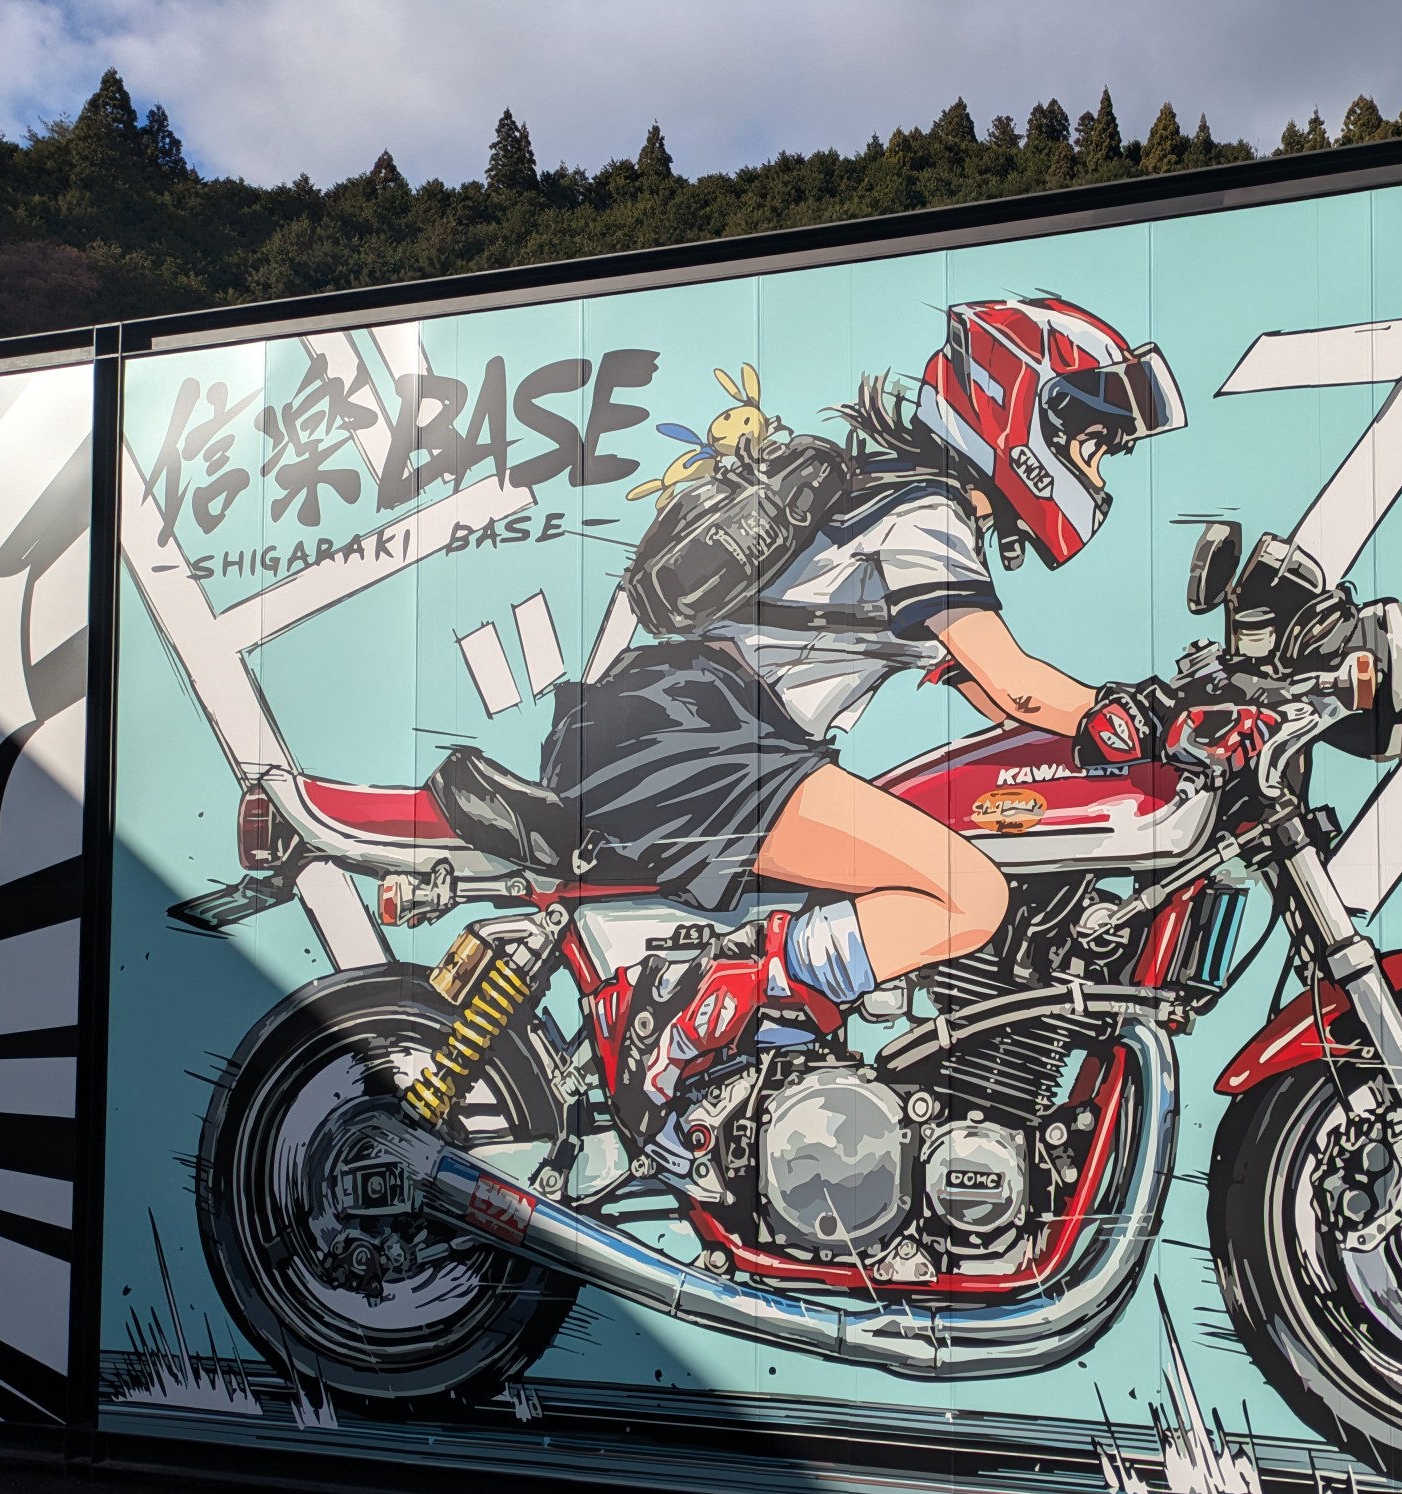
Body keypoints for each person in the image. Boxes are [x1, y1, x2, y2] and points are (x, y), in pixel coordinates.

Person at [539, 297, 1277, 1118]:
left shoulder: (900, 505)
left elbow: (997, 698)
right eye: (1092, 448)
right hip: (699, 733)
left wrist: (1124, 717)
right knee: (969, 894)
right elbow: (1013, 679)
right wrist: (1145, 719)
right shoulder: (927, 512)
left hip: (697, 726)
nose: (1096, 475)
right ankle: (698, 1020)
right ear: (1022, 414)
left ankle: (750, 1068)